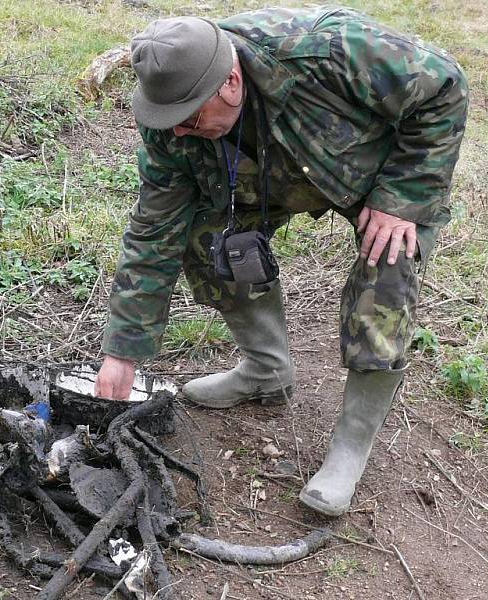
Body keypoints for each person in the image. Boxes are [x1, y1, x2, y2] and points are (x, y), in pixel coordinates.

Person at [93, 5, 468, 516]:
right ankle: (267, 370)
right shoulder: (172, 118)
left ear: (229, 80)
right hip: (264, 179)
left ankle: (350, 448)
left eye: (189, 118)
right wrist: (123, 350)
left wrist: (404, 195)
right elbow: (154, 231)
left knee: (389, 265)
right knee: (203, 237)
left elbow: (445, 87)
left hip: (371, 169)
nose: (177, 132)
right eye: (168, 119)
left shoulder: (326, 51)